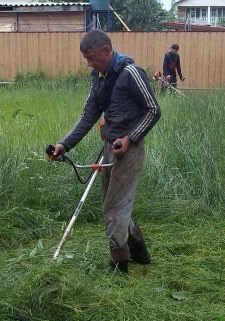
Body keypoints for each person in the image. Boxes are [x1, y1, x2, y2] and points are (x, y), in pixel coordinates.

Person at [50, 30, 161, 274]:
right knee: (114, 206)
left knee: (113, 209)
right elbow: (89, 114)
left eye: (92, 57)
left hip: (128, 151)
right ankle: (139, 251)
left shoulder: (132, 73)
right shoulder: (99, 77)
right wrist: (64, 144)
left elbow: (153, 110)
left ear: (107, 50)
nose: (89, 63)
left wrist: (130, 139)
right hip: (109, 148)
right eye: (86, 59)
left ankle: (119, 265)